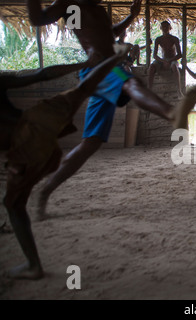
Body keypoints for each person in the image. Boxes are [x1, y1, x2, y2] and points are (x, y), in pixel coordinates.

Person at [26, 0, 196, 221]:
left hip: (103, 70)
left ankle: (44, 191)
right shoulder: (72, 5)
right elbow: (38, 19)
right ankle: (171, 113)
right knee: (131, 83)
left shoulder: (93, 9)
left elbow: (107, 33)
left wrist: (131, 16)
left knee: (90, 143)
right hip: (102, 68)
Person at [2, 45, 131, 280]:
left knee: (13, 205)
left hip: (26, 148)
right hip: (39, 124)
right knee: (83, 89)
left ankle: (33, 265)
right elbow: (42, 74)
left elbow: (42, 75)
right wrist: (87, 63)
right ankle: (112, 58)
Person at [147, 21, 183, 96]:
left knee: (174, 66)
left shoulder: (174, 39)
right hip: (162, 60)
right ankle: (149, 90)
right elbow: (154, 55)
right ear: (160, 28)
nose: (165, 28)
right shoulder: (158, 39)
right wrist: (163, 61)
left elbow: (180, 54)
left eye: (167, 26)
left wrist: (170, 60)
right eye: (163, 27)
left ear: (170, 28)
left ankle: (179, 91)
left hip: (173, 59)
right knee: (152, 67)